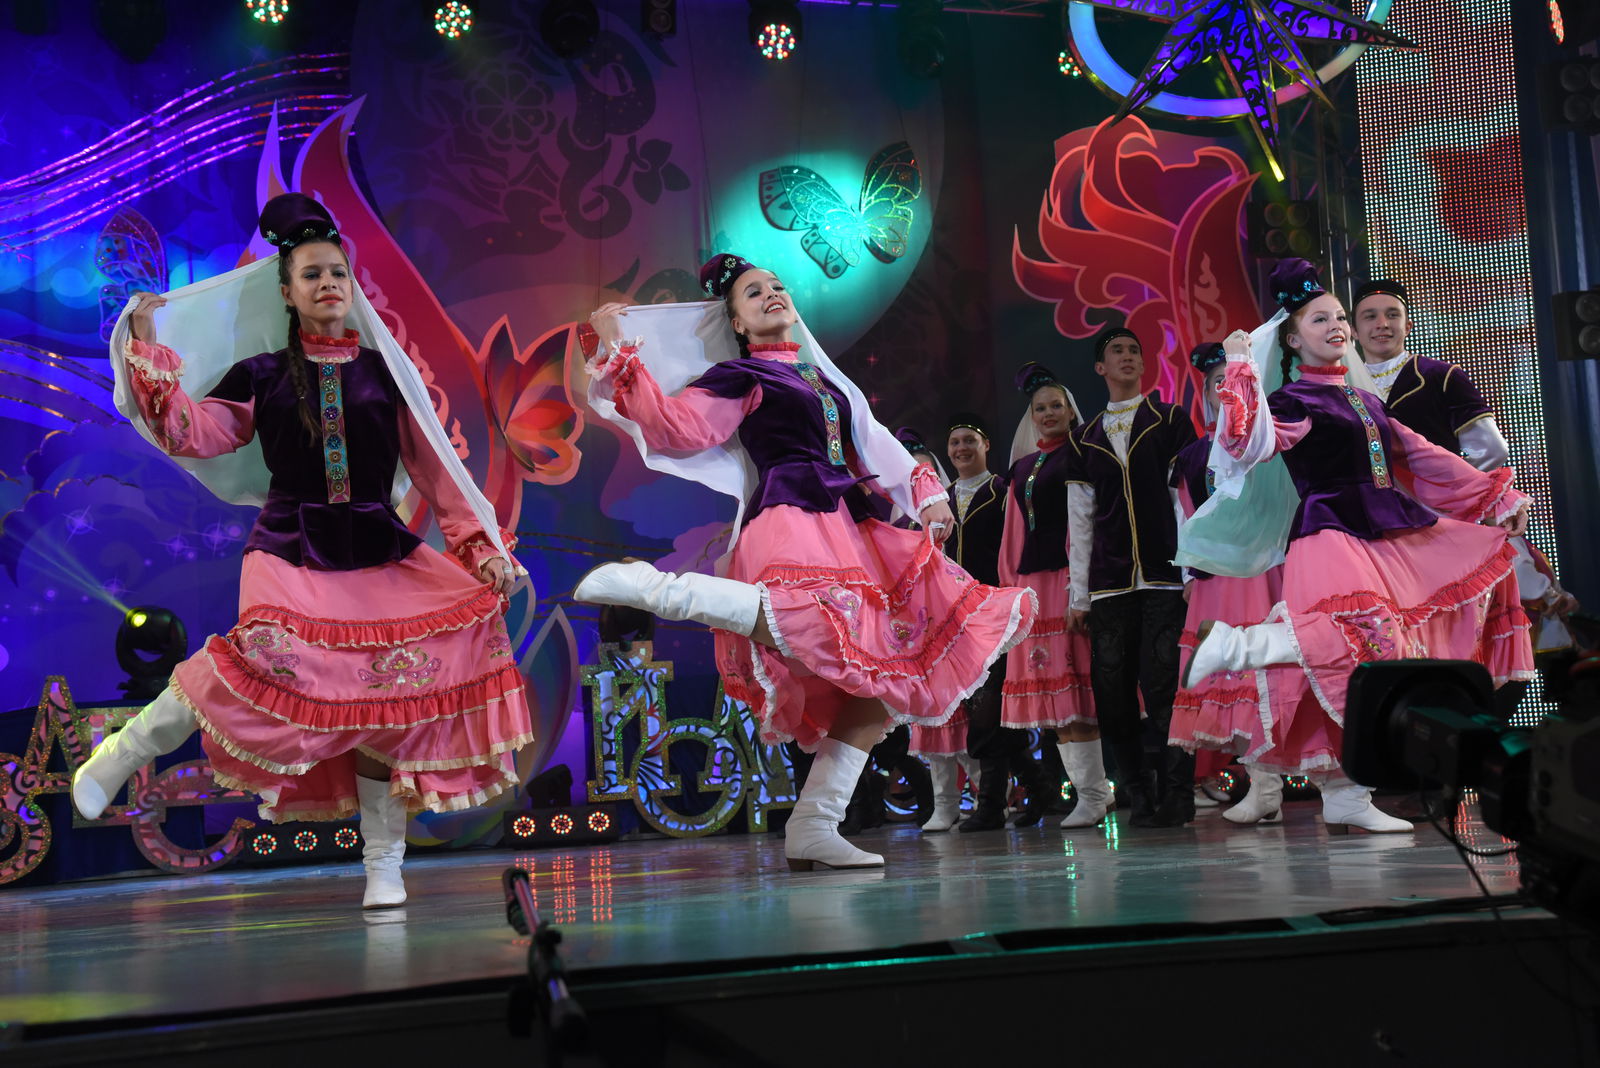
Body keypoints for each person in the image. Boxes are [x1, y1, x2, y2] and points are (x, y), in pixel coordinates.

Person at [73, 193, 530, 907]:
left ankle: (383, 863)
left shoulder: (387, 374)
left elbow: (439, 471)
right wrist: (147, 352)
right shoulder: (261, 375)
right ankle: (123, 752)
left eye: (337, 274)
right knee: (256, 662)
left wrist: (480, 546)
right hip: (290, 549)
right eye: (311, 275)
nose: (327, 285)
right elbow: (195, 431)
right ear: (285, 292)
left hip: (379, 552)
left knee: (389, 700)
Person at [575, 254, 1037, 871]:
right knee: (810, 622)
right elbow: (679, 429)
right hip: (792, 516)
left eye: (777, 286)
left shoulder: (824, 380)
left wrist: (924, 494)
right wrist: (617, 350)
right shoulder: (741, 376)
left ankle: (814, 824)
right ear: (736, 322)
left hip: (850, 524)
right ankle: (663, 592)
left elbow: (871, 439)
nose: (772, 294)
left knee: (880, 688)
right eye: (753, 293)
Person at [1183, 259, 1535, 833]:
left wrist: (1494, 497)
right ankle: (1238, 647)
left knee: (1376, 658)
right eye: (1320, 320)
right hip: (1329, 531)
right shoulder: (1295, 400)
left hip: (1382, 530)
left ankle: (1346, 794)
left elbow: (1421, 455)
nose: (1337, 327)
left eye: (1340, 318)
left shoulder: (1362, 399)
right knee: (1363, 635)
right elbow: (1247, 443)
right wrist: (1241, 366)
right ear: (1293, 340)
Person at [1064, 332, 1197, 827]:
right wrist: (1080, 596)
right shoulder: (1083, 438)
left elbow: (1184, 500)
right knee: (1113, 696)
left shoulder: (1169, 419)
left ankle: (1178, 794)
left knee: (1165, 688)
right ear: (1100, 367)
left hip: (1164, 577)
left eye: (1134, 350)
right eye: (1116, 351)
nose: (1127, 357)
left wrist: (1190, 568)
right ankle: (1138, 793)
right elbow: (1081, 521)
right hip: (1110, 584)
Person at [1168, 343, 1297, 825]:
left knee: (1267, 676)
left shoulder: (1269, 443)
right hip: (1217, 579)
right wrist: (1188, 574)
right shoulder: (1191, 456)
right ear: (1207, 396)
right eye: (1217, 385)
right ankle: (1263, 787)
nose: (1226, 391)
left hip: (1264, 572)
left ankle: (1280, 784)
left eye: (1235, 382)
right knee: (1233, 682)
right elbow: (1185, 518)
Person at [997, 364, 1107, 830]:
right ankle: (1087, 794)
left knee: (1079, 693)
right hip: (1034, 585)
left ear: (1070, 410)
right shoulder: (1022, 469)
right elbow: (1013, 535)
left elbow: (1089, 520)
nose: (1048, 414)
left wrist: (1083, 586)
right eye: (1040, 408)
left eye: (1056, 406)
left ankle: (1097, 793)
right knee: (1055, 702)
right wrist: (1012, 592)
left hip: (1068, 579)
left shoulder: (1084, 454)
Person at [944, 410, 1050, 831]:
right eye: (955, 442)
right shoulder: (941, 500)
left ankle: (990, 805)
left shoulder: (1003, 492)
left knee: (989, 710)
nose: (962, 448)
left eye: (970, 440)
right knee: (983, 711)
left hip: (997, 612)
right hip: (956, 619)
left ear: (986, 446)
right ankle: (1038, 788)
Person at [894, 427, 979, 833]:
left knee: (962, 717)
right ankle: (945, 804)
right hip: (915, 632)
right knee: (929, 719)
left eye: (924, 473)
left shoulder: (947, 516)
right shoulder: (896, 523)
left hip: (951, 625)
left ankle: (989, 795)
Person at [1350, 279, 1508, 469]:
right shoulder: (1343, 387)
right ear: (1354, 331)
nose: (1382, 324)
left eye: (1392, 315)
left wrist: (1446, 483)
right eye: (1370, 316)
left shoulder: (1441, 376)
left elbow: (1492, 450)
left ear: (1408, 326)